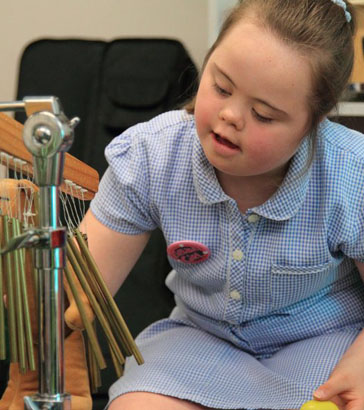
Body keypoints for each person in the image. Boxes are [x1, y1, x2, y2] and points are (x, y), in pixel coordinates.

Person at [80, 0, 364, 408]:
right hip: (202, 338)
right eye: (221, 87)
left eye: (264, 114)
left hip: (322, 342)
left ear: (313, 122)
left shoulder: (350, 173)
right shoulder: (151, 155)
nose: (230, 116)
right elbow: (79, 292)